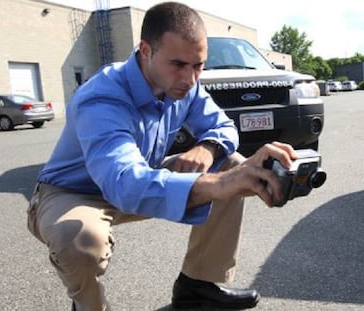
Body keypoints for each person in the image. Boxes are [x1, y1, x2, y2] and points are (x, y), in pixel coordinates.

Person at [27, 2, 297, 310]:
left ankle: (198, 286)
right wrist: (218, 185)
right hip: (73, 194)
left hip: (137, 176)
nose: (191, 78)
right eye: (179, 64)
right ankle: (89, 306)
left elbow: (223, 127)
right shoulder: (102, 97)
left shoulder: (185, 86)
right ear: (146, 50)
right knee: (77, 237)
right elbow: (124, 184)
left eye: (199, 66)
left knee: (231, 163)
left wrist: (206, 149)